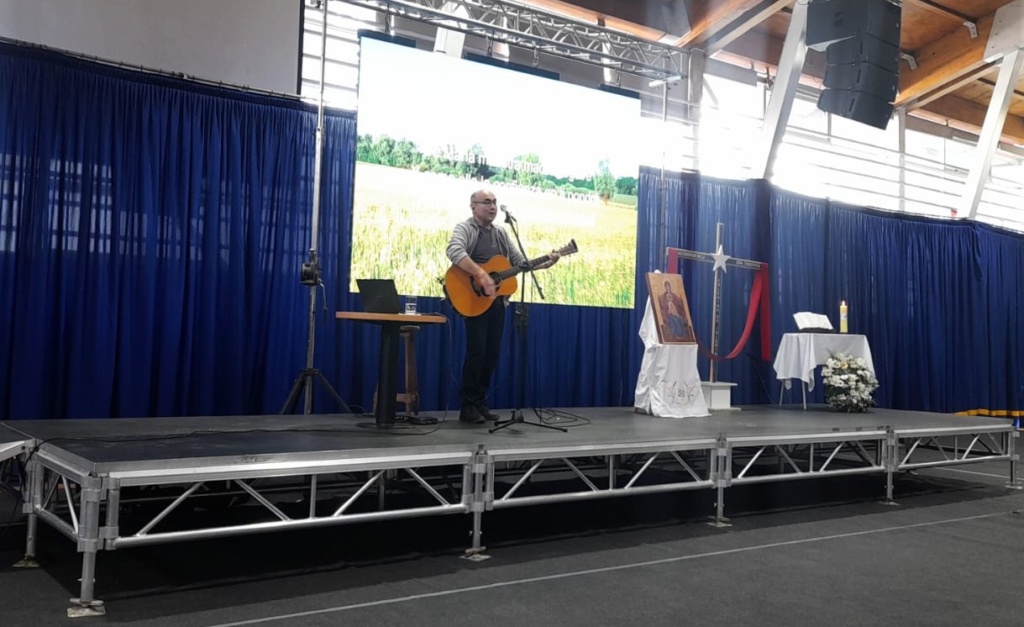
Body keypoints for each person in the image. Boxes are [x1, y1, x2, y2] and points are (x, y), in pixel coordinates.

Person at [446, 189, 560, 424]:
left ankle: (480, 402)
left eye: (495, 202)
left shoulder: (501, 233)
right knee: (477, 352)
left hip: (496, 302)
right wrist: (481, 274)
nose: (492, 207)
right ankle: (468, 407)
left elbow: (520, 264)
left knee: (491, 354)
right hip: (473, 299)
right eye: (487, 202)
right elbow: (454, 250)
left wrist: (546, 263)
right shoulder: (465, 228)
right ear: (473, 207)